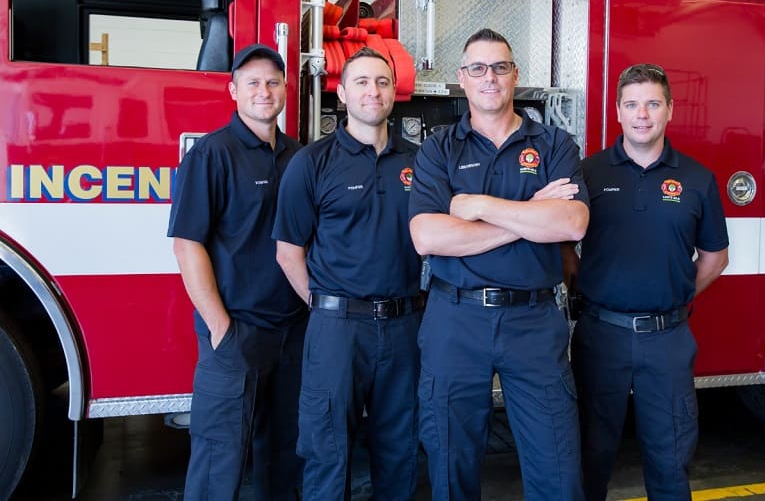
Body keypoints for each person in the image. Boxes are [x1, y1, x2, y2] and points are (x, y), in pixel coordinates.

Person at [409, 28, 589, 500]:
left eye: (500, 67)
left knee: (557, 467)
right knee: (450, 465)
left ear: (516, 76)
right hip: (455, 320)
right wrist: (530, 213)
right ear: (462, 80)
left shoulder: (553, 144)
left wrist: (476, 204)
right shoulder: (439, 149)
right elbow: (428, 236)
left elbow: (571, 222)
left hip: (532, 322)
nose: (490, 78)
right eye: (478, 69)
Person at [567, 63, 729, 500]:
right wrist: (592, 286)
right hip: (601, 336)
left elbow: (715, 257)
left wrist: (673, 296)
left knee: (670, 455)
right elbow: (562, 244)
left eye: (653, 104)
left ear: (670, 110)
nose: (643, 114)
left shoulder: (697, 179)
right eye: (633, 104)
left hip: (668, 340)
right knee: (590, 453)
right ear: (617, 111)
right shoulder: (589, 173)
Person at [273, 47, 423, 500]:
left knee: (401, 450)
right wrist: (327, 308)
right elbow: (287, 252)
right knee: (327, 450)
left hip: (406, 326)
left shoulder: (421, 162)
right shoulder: (312, 163)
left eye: (381, 81)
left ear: (393, 93)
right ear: (341, 92)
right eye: (361, 82)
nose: (372, 91)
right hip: (337, 329)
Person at [168, 43, 307, 500]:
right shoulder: (212, 155)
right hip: (236, 335)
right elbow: (187, 244)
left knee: (285, 458)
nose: (264, 91)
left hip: (292, 335)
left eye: (272, 81)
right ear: (233, 91)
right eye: (252, 83)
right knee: (218, 461)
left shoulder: (298, 157)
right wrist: (220, 328)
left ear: (285, 89)